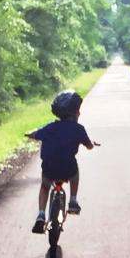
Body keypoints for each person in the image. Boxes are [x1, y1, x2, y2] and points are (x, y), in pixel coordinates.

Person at [26, 89, 99, 234]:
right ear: (73, 113)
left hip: (49, 169)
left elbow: (35, 135)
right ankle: (72, 200)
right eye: (78, 110)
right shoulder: (79, 129)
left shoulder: (50, 127)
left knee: (45, 187)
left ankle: (41, 215)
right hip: (68, 169)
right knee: (75, 172)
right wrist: (92, 144)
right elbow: (89, 146)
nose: (79, 113)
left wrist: (29, 134)